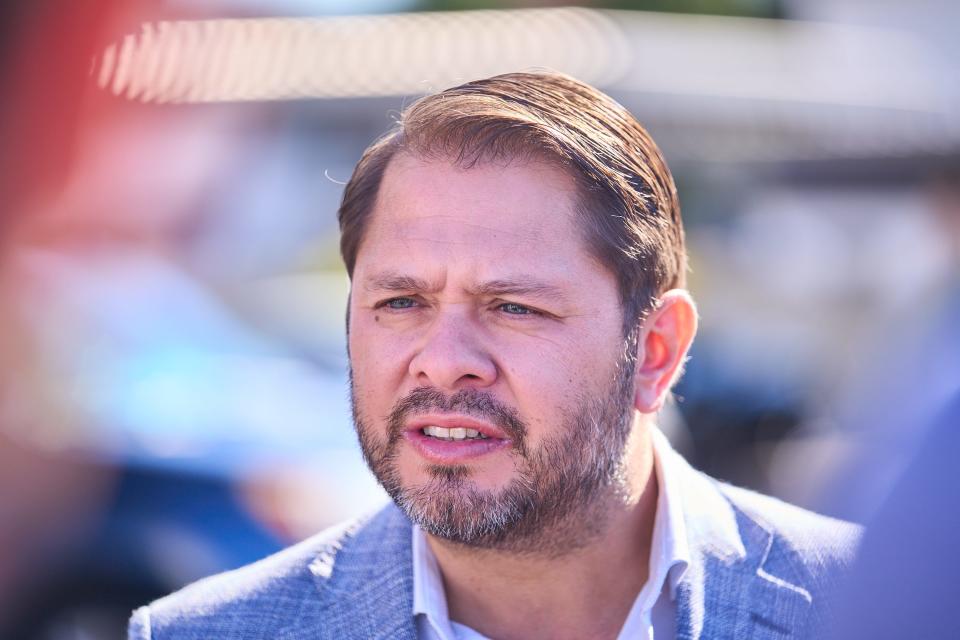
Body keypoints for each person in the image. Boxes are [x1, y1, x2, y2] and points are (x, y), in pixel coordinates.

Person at [128, 71, 860, 640]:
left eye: (515, 307)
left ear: (656, 352)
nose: (442, 362)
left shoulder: (889, 604)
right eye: (401, 303)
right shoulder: (203, 633)